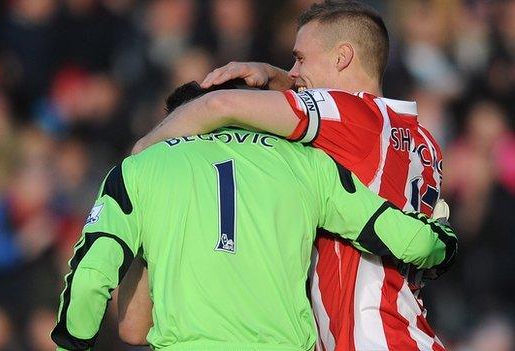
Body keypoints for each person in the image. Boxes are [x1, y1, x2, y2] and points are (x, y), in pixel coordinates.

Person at [127, 1, 448, 350]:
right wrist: (272, 75)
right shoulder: (422, 140)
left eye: (300, 59)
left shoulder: (350, 117)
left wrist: (142, 155)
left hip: (372, 339)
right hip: (409, 329)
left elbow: (219, 106)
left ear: (342, 57)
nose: (292, 72)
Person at [50, 81, 457, 351]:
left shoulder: (140, 169)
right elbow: (410, 240)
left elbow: (90, 281)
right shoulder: (307, 164)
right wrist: (443, 243)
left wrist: (72, 343)